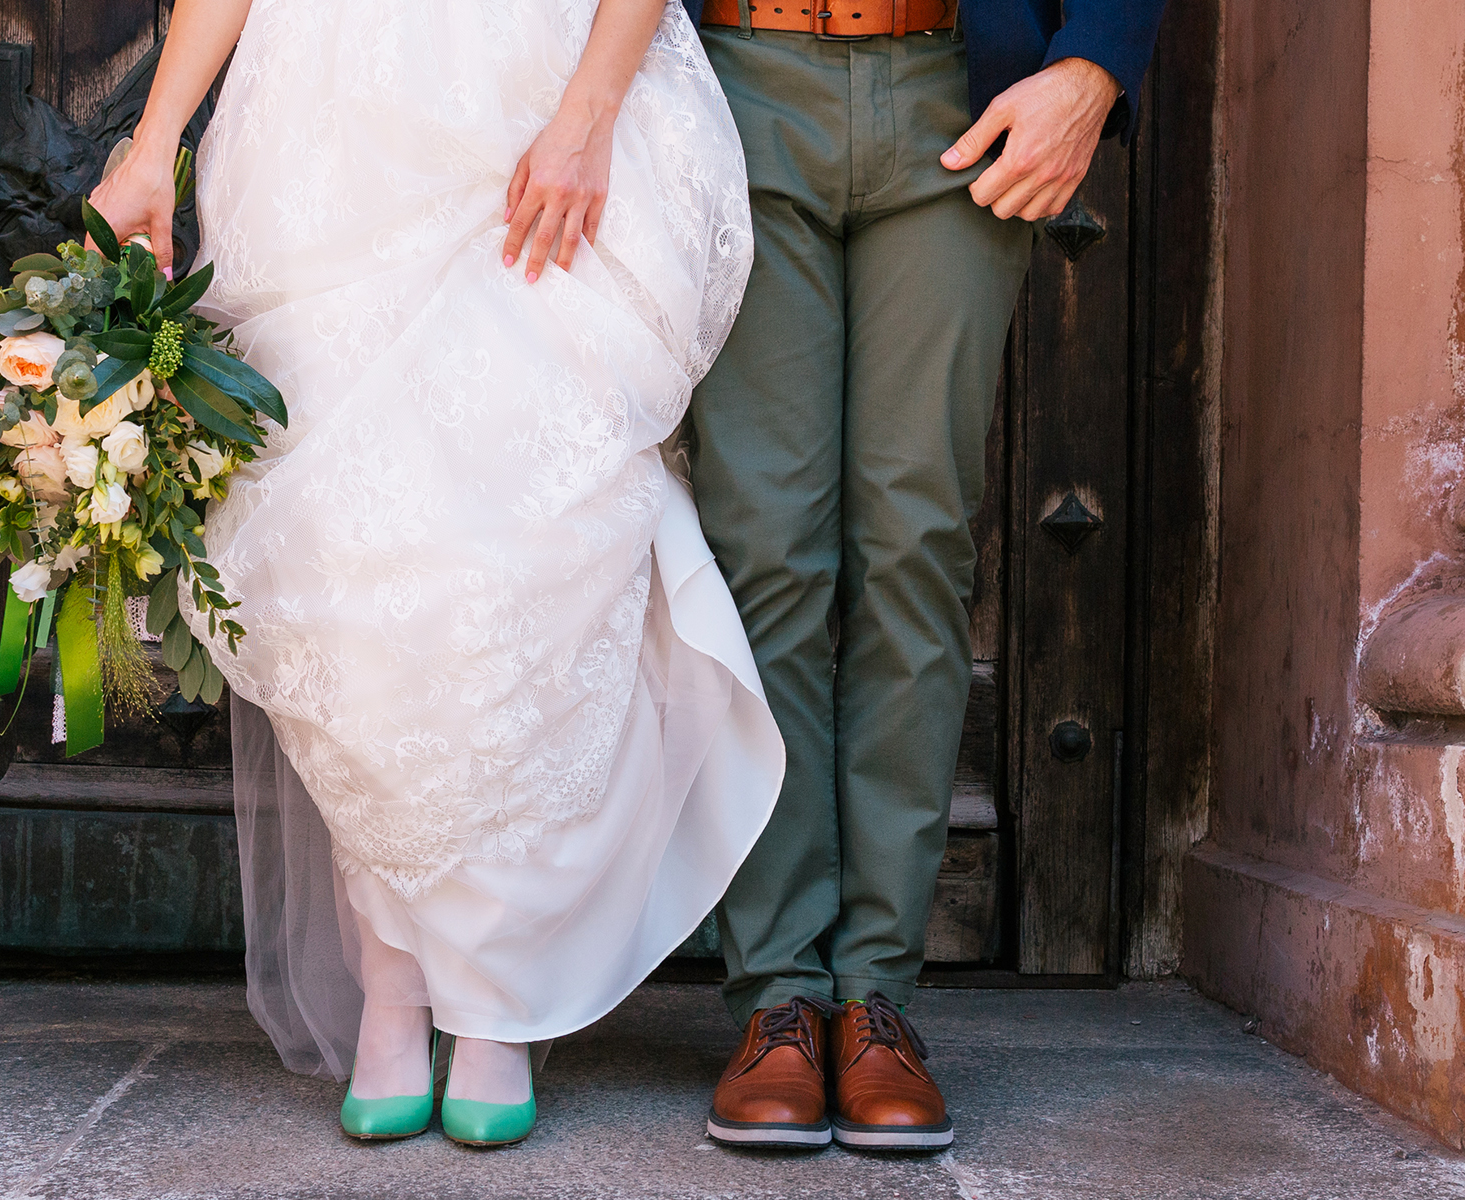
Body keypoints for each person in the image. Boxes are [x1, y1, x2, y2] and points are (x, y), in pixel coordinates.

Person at [89, 0, 782, 1149]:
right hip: (329, 129)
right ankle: (398, 986)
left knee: (516, 557)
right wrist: (155, 134)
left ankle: (496, 998)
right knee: (356, 564)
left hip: (533, 93)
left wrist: (587, 113)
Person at [688, 0, 1169, 1152]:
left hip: (961, 89)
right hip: (731, 81)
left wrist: (1099, 60)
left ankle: (878, 999)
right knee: (766, 549)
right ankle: (778, 1000)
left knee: (916, 544)